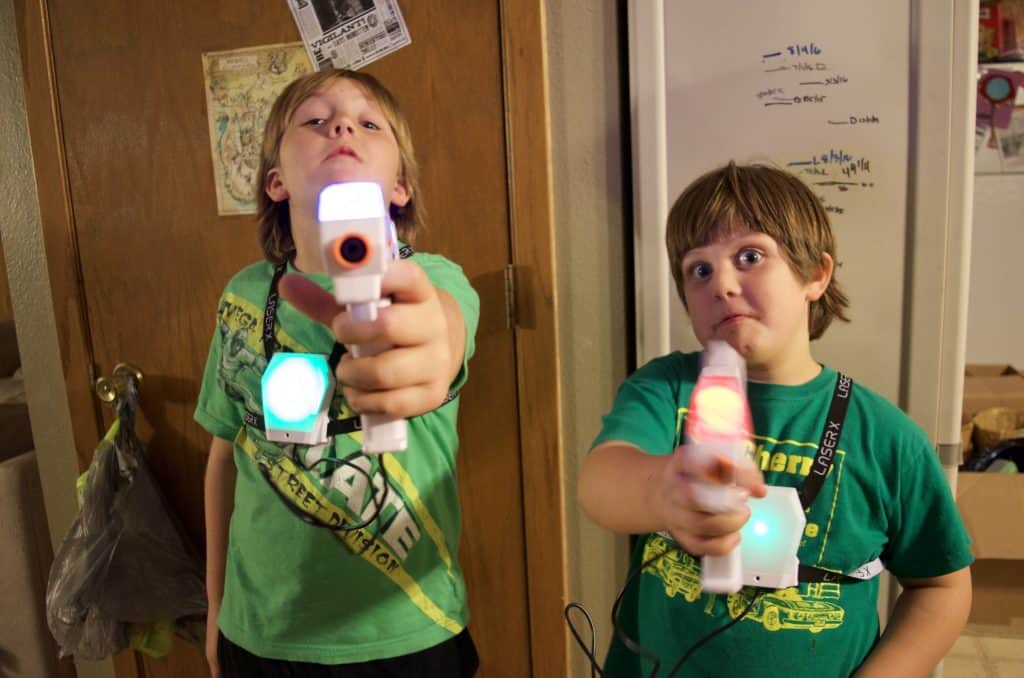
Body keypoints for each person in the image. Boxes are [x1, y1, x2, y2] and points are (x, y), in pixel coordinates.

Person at [578, 162, 973, 677]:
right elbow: (602, 480)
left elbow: (940, 584)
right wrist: (663, 493)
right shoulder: (668, 389)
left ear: (815, 275)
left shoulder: (888, 440)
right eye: (699, 269)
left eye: (750, 256)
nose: (721, 283)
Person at [196, 68, 480, 677]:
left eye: (368, 122)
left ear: (399, 186)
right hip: (259, 634)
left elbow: (445, 330)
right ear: (276, 181)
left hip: (407, 630)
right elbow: (224, 457)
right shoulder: (243, 296)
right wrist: (216, 607)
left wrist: (431, 345)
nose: (343, 126)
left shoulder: (436, 283)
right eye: (315, 120)